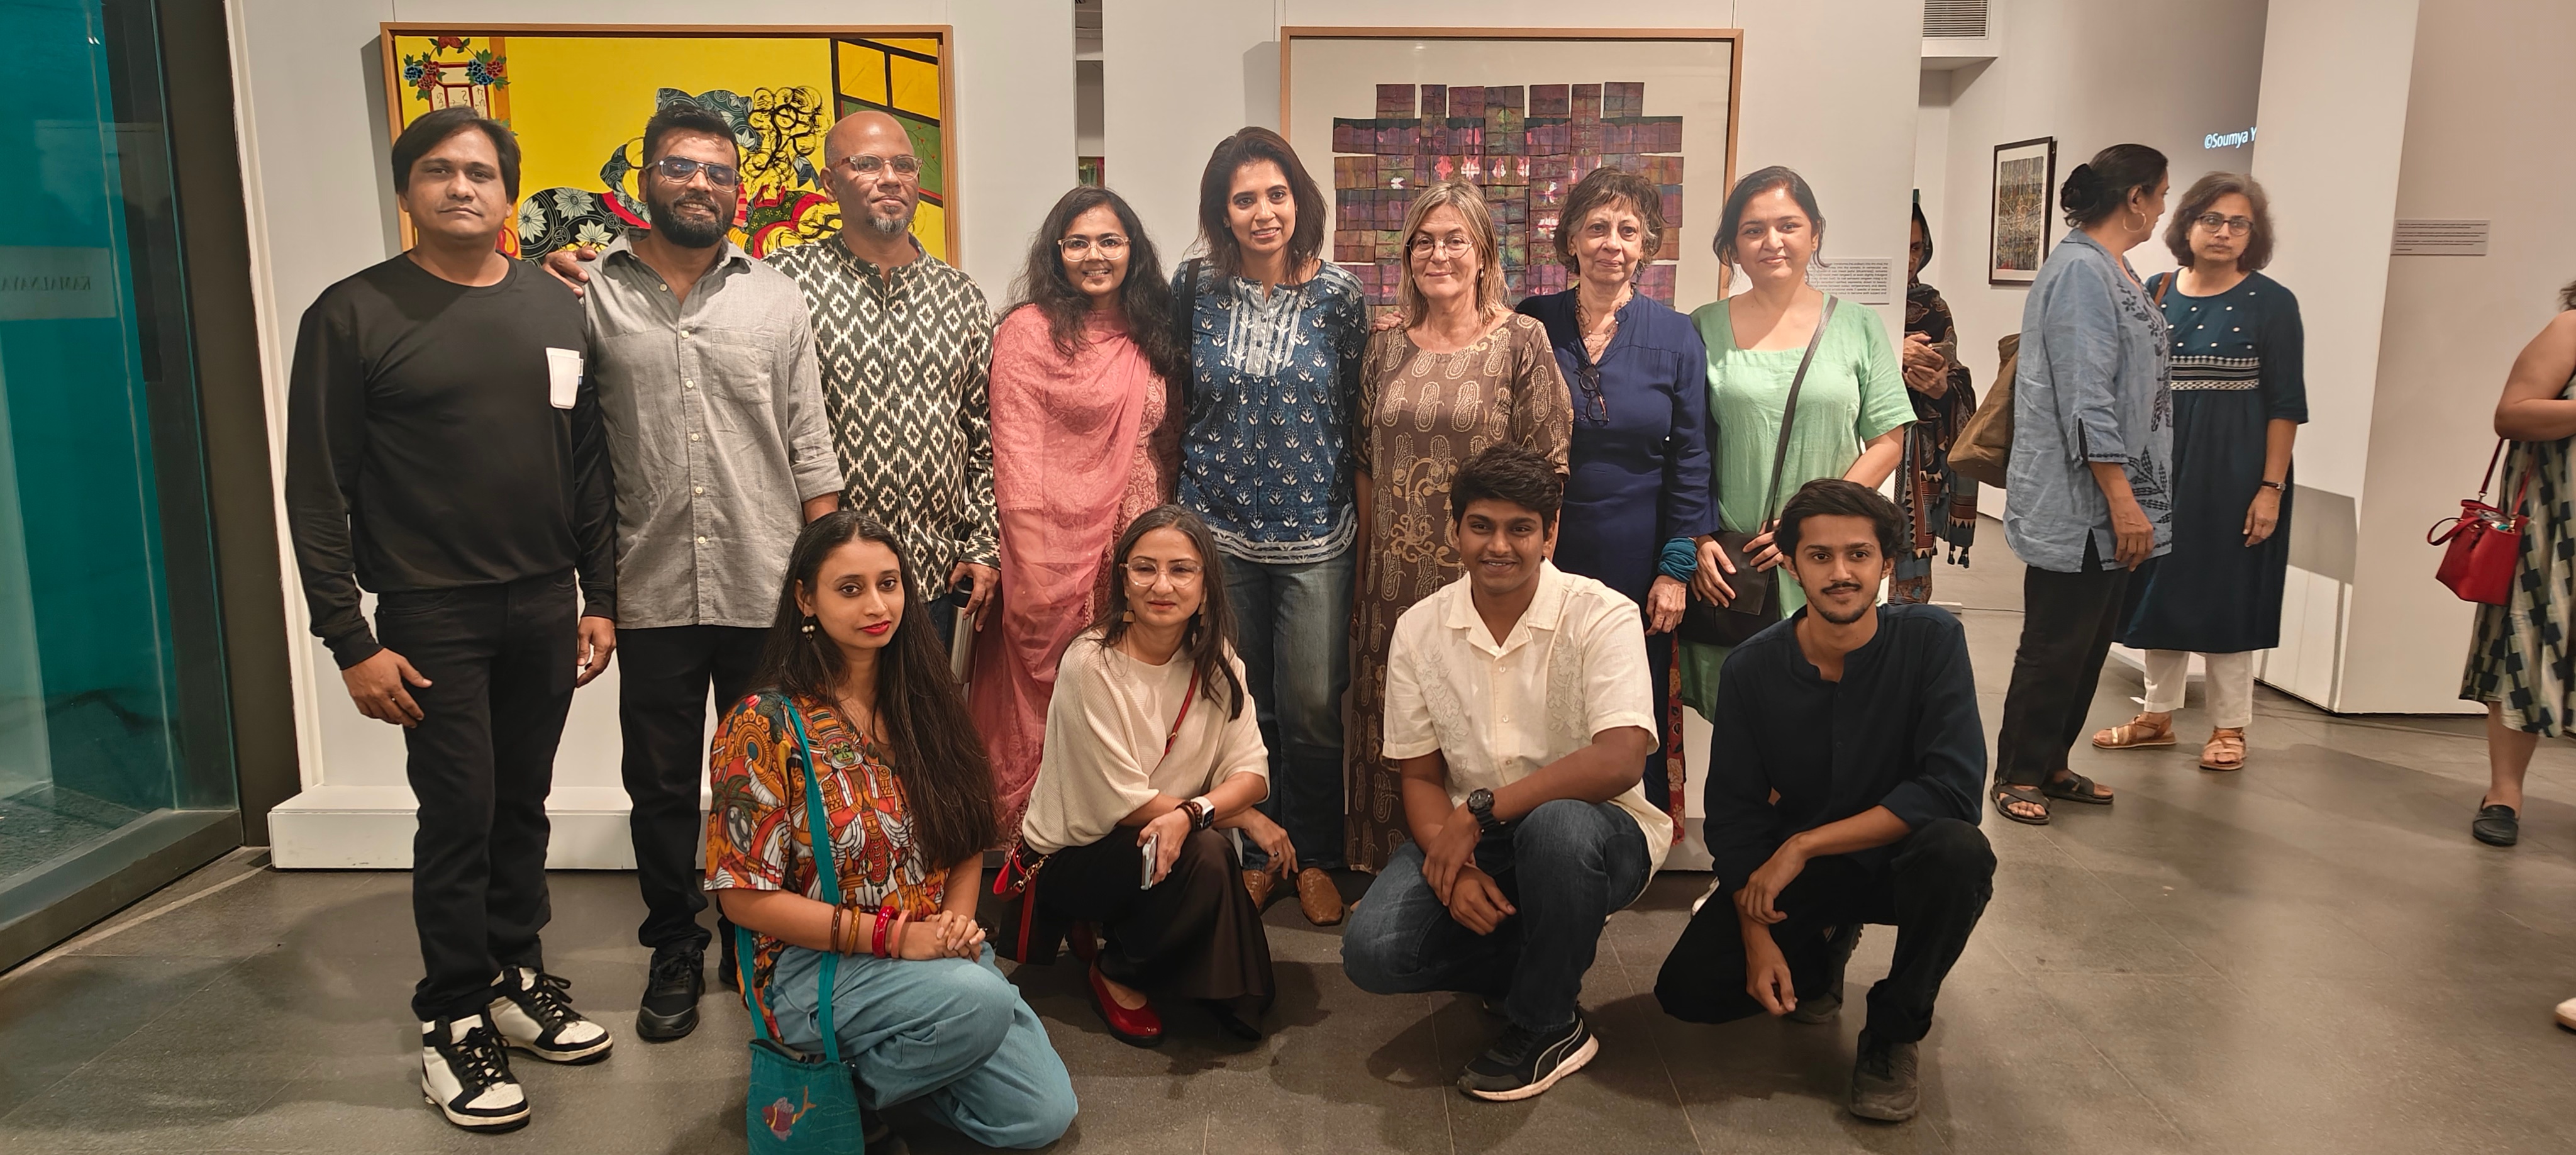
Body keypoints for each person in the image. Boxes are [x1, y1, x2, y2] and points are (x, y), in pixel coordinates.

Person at [282, 106, 617, 1132]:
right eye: (438, 170)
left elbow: (587, 466)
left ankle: (517, 977)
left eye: (480, 171)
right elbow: (317, 489)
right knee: (460, 812)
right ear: (406, 191)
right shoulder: (352, 314)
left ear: (508, 192)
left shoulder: (556, 306)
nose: (461, 186)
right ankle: (452, 1018)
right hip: (430, 613)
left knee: (522, 804)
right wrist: (350, 639)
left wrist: (600, 597)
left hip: (544, 602)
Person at [575, 101, 845, 1042]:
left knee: (766, 781)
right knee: (657, 786)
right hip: (649, 588)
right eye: (681, 167)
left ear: (739, 190)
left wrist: (826, 586)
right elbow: (577, 450)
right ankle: (672, 945)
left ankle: (757, 937)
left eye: (718, 173)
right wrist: (592, 592)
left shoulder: (776, 299)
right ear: (645, 179)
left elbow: (809, 443)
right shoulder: (590, 295)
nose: (700, 184)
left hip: (765, 585)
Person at [548, 109, 1001, 645]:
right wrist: (565, 271)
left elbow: (982, 433)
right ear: (829, 183)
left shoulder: (961, 296)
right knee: (813, 705)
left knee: (931, 704)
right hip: (831, 580)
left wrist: (984, 544)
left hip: (938, 572)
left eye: (904, 165)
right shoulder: (784, 281)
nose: (889, 178)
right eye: (866, 164)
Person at [705, 511, 1076, 1150]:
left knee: (1039, 1116)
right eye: (850, 589)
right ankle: (854, 1064)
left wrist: (955, 927)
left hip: (929, 951)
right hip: (813, 964)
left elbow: (964, 839)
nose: (877, 606)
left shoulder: (926, 705)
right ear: (806, 599)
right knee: (982, 1004)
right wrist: (898, 939)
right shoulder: (763, 724)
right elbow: (742, 899)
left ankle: (857, 1078)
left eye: (889, 583)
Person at [1653, 479, 1994, 1123]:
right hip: (1808, 875)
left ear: (1885, 564)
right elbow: (1734, 813)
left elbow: (1951, 788)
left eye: (1858, 554)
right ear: (1790, 564)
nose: (1841, 573)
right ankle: (1822, 952)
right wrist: (1755, 930)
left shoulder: (1931, 640)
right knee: (1690, 992)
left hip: (1903, 862)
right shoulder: (1753, 668)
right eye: (1819, 556)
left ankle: (1894, 1031)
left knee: (1959, 852)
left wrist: (1803, 845)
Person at [1341, 444, 1665, 1101]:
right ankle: (1544, 947)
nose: (1499, 546)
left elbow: (1621, 758)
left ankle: (1549, 1024)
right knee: (1373, 951)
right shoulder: (1420, 629)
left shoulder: (1602, 612)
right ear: (1455, 530)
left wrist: (1480, 810)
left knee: (1557, 829)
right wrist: (1456, 869)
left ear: (1551, 533)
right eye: (1481, 526)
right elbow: (1420, 778)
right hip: (1477, 835)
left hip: (1596, 832)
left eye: (1520, 528)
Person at [1171, 127, 1369, 922]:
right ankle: (1262, 855)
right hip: (1217, 534)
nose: (1263, 212)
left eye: (1276, 195)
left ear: (1299, 200)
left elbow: (1354, 416)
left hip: (1316, 535)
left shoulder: (1339, 297)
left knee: (1314, 706)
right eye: (1244, 199)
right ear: (1222, 212)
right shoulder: (1194, 288)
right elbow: (1176, 398)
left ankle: (1315, 856)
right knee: (1244, 706)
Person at [1349, 182, 1574, 872]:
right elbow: (1365, 464)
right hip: (1392, 580)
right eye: (1423, 242)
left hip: (1487, 576)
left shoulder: (1521, 340)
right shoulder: (1384, 347)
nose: (1438, 254)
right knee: (1397, 721)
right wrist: (1364, 572)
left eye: (1454, 240)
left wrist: (1537, 579)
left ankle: (1489, 861)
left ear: (1483, 254)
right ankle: (1392, 866)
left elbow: (1550, 469)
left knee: (1482, 718)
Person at [1019, 506, 1286, 1046]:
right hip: (1079, 854)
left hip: (1170, 837)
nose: (1162, 585)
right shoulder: (1090, 664)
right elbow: (1121, 802)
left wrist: (1201, 812)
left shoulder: (1218, 661)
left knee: (1203, 853)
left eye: (1181, 570)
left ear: (1206, 587)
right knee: (1207, 852)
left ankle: (1163, 951)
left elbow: (1252, 772)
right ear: (1124, 581)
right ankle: (1118, 969)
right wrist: (1224, 815)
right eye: (1145, 569)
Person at [969, 186, 1184, 829]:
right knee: (1063, 684)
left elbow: (1170, 438)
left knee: (1130, 684)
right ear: (1056, 252)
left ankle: (1125, 827)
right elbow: (1015, 450)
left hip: (1138, 536)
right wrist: (1035, 564)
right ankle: (1046, 845)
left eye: (1110, 241)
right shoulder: (1027, 332)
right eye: (1079, 242)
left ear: (1133, 249)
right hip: (1055, 548)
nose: (1095, 255)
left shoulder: (1152, 328)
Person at [1678, 166, 1914, 722]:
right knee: (1743, 719)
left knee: (1837, 714)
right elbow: (1685, 447)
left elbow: (1889, 440)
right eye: (1753, 229)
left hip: (1828, 555)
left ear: (1815, 233)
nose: (1772, 241)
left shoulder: (1857, 326)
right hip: (1736, 566)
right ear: (1734, 245)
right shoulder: (1703, 327)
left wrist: (1808, 523)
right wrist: (1698, 537)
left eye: (1788, 225)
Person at [1514, 166, 1716, 818]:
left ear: (1646, 244)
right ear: (1571, 239)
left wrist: (1675, 569)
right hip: (1543, 552)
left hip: (1638, 561)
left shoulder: (1677, 335)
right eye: (1597, 227)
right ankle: (1540, 828)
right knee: (1541, 693)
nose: (1612, 243)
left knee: (1631, 703)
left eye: (1628, 231)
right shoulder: (1531, 322)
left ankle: (1633, 835)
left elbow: (1691, 457)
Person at [2090, 174, 2304, 774]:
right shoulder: (2156, 291)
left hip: (2236, 473)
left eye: (2238, 223)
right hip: (2161, 468)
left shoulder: (2272, 303)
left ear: (2254, 235)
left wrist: (2270, 488)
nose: (2224, 233)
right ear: (2187, 224)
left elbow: (2286, 405)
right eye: (2212, 219)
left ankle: (2229, 726)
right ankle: (2156, 716)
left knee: (2228, 594)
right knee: (2160, 587)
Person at [1990, 144, 2173, 825]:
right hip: (2081, 500)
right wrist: (2121, 500)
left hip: (2110, 498)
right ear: (2135, 198)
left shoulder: (2112, 267)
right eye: (2160, 194)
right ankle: (2017, 772)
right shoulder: (2079, 271)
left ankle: (2050, 762)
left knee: (2088, 643)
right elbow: (2085, 395)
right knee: (2055, 643)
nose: (2162, 208)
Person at [2460, 282, 2576, 847]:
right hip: (2556, 537)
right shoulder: (2572, 328)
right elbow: (2513, 415)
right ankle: (2504, 794)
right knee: (2526, 654)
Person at [1891, 202, 1980, 605]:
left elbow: (1956, 380)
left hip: (1915, 460)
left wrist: (1941, 389)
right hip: (1851, 449)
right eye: (1901, 248)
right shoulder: (1840, 304)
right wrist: (1891, 350)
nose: (1910, 259)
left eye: (1916, 247)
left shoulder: (1933, 307)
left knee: (1906, 595)